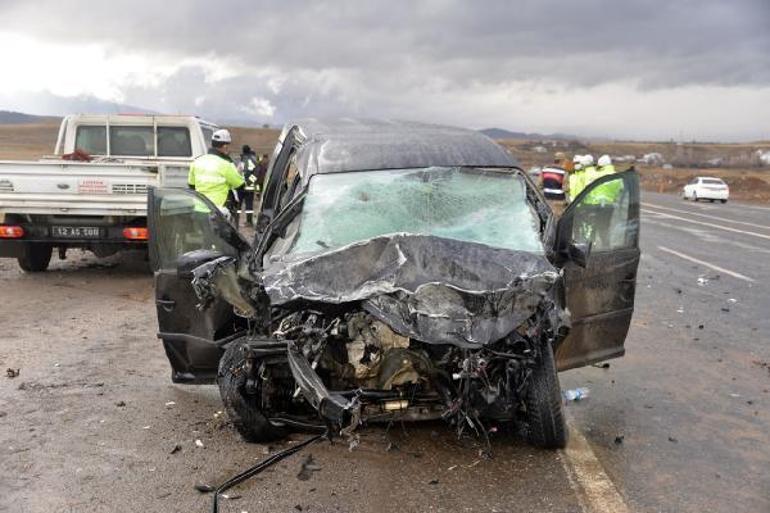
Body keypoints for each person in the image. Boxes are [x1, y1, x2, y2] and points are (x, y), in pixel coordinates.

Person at [188, 129, 244, 221]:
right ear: (225, 146)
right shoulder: (226, 164)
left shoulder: (196, 161)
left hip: (199, 209)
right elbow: (240, 185)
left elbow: (191, 185)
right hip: (218, 211)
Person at [237, 144, 259, 226]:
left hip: (240, 186)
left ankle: (236, 221)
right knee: (249, 205)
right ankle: (249, 222)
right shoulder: (253, 160)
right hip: (249, 187)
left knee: (238, 204)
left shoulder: (241, 161)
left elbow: (237, 172)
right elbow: (257, 173)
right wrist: (250, 182)